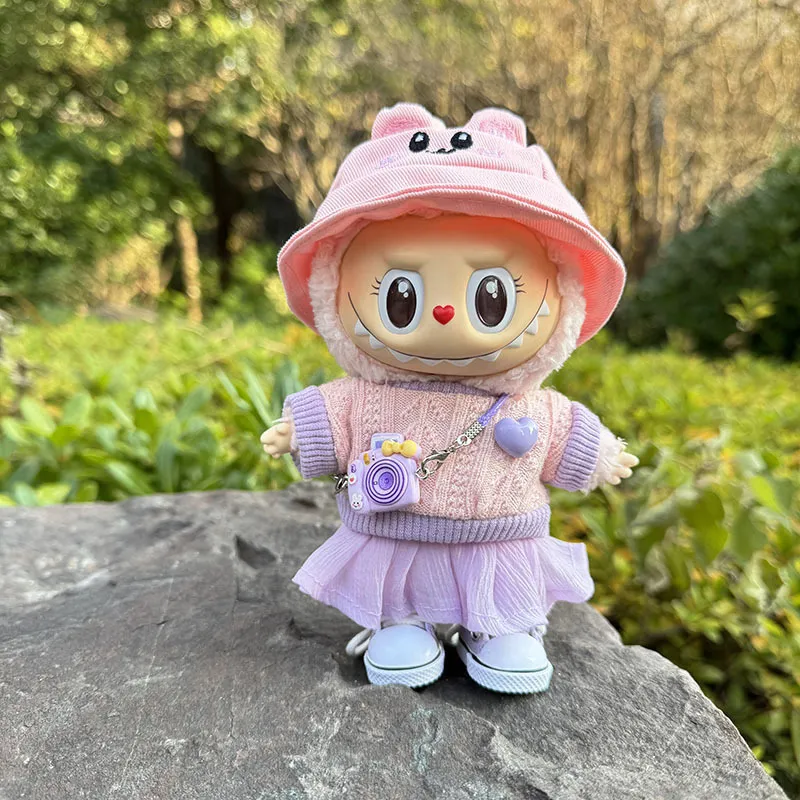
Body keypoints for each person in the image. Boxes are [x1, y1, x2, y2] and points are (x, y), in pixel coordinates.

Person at [260, 103, 637, 693]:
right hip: (395, 533)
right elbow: (336, 415)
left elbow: (564, 431)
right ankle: (402, 619)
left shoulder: (528, 406)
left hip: (500, 536)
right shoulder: (367, 396)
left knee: (498, 581)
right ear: (334, 286)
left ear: (563, 294)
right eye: (400, 296)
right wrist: (298, 432)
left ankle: (497, 623)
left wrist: (599, 455)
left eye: (491, 295)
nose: (443, 313)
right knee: (400, 581)